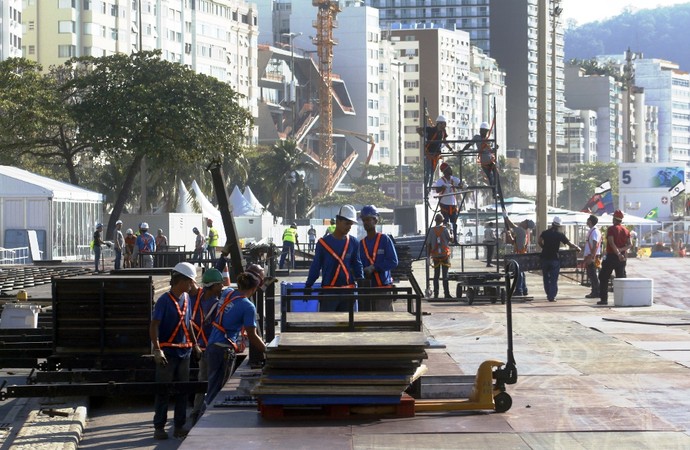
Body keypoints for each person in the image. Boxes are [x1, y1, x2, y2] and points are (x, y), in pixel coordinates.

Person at [149, 262, 202, 440]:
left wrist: (194, 344)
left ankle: (179, 426)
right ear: (182, 280)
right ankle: (159, 427)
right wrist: (157, 349)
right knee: (163, 390)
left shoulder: (186, 299)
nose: (192, 285)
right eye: (190, 282)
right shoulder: (164, 301)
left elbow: (188, 325)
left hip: (185, 352)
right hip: (168, 353)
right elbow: (154, 325)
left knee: (182, 390)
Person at [205, 264, 267, 406]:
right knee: (218, 390)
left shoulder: (228, 293)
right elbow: (252, 335)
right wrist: (268, 351)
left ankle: (205, 410)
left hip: (212, 344)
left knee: (212, 385)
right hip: (223, 349)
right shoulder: (248, 306)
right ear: (254, 288)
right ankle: (208, 419)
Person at [306, 205, 364, 311]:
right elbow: (316, 266)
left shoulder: (353, 242)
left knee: (347, 325)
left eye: (350, 224)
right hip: (329, 293)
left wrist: (361, 281)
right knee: (328, 325)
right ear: (338, 221)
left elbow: (357, 264)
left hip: (348, 293)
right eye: (347, 224)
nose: (349, 227)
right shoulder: (323, 244)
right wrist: (308, 285)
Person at [189, 268, 224, 425]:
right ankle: (205, 412)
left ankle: (197, 412)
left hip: (201, 345)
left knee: (203, 379)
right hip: (209, 347)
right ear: (214, 285)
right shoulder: (215, 304)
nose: (222, 287)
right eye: (220, 284)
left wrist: (223, 258)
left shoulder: (198, 298)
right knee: (212, 381)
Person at [358, 205, 399, 311]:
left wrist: (374, 267)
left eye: (368, 219)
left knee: (384, 321)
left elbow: (393, 261)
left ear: (375, 220)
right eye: (364, 220)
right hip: (367, 288)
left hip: (383, 288)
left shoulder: (384, 240)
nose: (365, 222)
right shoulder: (362, 244)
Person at [538, 216, 581, 302]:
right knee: (554, 279)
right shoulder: (559, 235)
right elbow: (569, 243)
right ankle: (552, 296)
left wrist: (544, 247)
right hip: (554, 258)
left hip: (545, 258)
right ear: (558, 226)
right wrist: (577, 247)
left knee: (546, 278)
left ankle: (548, 293)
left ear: (552, 224)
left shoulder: (545, 233)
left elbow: (539, 241)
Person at [597, 210, 631, 305]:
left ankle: (604, 299)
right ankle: (621, 300)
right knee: (620, 278)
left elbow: (611, 243)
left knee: (603, 277)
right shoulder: (626, 230)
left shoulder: (611, 229)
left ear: (614, 219)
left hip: (612, 256)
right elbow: (629, 245)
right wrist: (621, 251)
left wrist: (617, 253)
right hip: (622, 258)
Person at [433, 162, 467, 243]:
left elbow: (460, 184)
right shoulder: (440, 181)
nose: (450, 170)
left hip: (453, 205)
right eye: (448, 168)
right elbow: (437, 190)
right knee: (446, 223)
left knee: (454, 223)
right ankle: (446, 240)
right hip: (444, 205)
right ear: (445, 171)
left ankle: (454, 239)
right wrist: (442, 187)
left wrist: (462, 185)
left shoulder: (453, 179)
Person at [463, 121, 497, 194]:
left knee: (494, 176)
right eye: (481, 131)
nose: (482, 132)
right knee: (490, 176)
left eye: (484, 131)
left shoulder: (489, 139)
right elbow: (469, 144)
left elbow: (491, 150)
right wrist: (462, 150)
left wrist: (495, 148)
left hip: (491, 161)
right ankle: (494, 192)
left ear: (487, 131)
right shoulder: (477, 137)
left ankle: (495, 192)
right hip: (484, 162)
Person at [506, 218, 535, 296]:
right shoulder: (523, 232)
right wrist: (509, 235)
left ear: (526, 225)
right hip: (521, 253)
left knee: (518, 273)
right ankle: (524, 289)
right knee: (521, 272)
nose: (522, 221)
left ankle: (519, 290)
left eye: (525, 221)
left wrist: (505, 217)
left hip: (519, 254)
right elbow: (513, 242)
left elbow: (511, 224)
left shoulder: (520, 230)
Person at [417, 115, 449, 187]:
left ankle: (429, 189)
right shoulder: (431, 129)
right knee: (428, 172)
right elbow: (418, 129)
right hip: (429, 154)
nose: (445, 125)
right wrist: (423, 135)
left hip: (436, 155)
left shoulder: (443, 132)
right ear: (439, 123)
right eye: (444, 124)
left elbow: (445, 141)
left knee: (432, 172)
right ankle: (426, 187)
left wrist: (451, 149)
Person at [426, 213, 452, 298]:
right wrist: (450, 229)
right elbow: (451, 239)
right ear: (442, 220)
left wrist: (428, 256)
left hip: (435, 255)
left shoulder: (431, 230)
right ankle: (446, 294)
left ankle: (436, 294)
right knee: (445, 275)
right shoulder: (445, 229)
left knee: (436, 275)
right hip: (444, 255)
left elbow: (428, 244)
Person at [583, 215, 602, 299]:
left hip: (592, 256)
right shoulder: (592, 230)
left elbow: (595, 244)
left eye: (588, 220)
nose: (586, 221)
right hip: (590, 255)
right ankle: (595, 290)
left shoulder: (594, 231)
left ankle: (596, 291)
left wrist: (592, 256)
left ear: (590, 221)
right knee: (591, 274)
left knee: (593, 274)